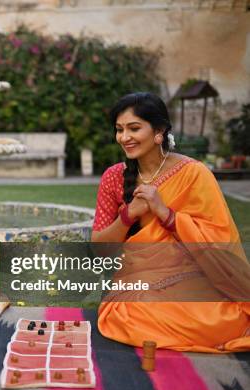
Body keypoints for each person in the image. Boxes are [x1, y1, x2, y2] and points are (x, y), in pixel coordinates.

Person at [92, 92, 250, 352]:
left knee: (222, 317)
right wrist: (129, 214)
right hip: (139, 283)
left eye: (134, 128)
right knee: (129, 313)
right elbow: (99, 249)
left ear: (159, 131)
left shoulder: (194, 173)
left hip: (197, 275)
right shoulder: (113, 177)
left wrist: (166, 214)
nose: (124, 137)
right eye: (119, 130)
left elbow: (218, 239)